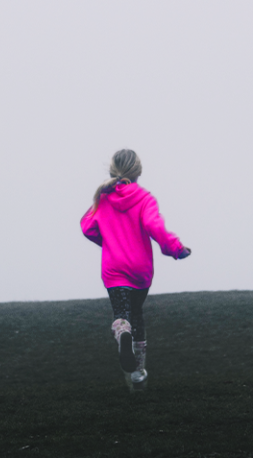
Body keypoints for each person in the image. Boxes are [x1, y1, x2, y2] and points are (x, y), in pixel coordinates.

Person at [80, 149, 190, 392]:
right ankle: (138, 373)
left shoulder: (103, 198)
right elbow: (155, 227)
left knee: (122, 313)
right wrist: (176, 248)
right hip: (140, 270)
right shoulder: (144, 198)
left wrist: (109, 241)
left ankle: (122, 334)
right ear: (138, 171)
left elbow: (87, 227)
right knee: (137, 314)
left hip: (113, 270)